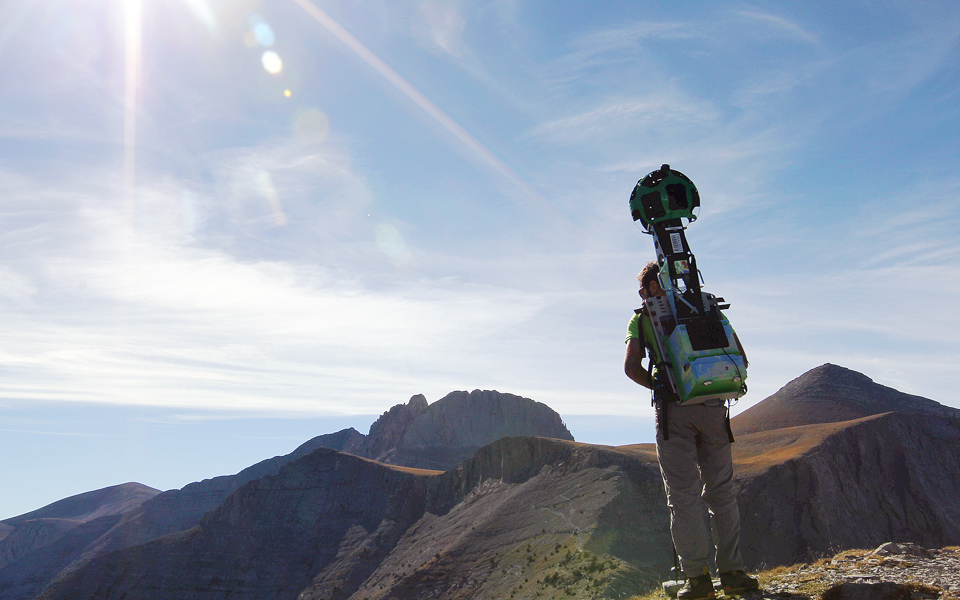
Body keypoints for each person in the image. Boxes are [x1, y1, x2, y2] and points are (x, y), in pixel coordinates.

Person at [624, 260, 759, 600]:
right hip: (715, 409)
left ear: (653, 286)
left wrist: (661, 386)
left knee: (683, 497)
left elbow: (631, 366)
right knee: (723, 493)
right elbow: (740, 356)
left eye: (644, 288)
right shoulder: (709, 308)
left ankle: (697, 579)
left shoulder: (642, 319)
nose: (643, 294)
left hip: (674, 414)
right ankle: (733, 573)